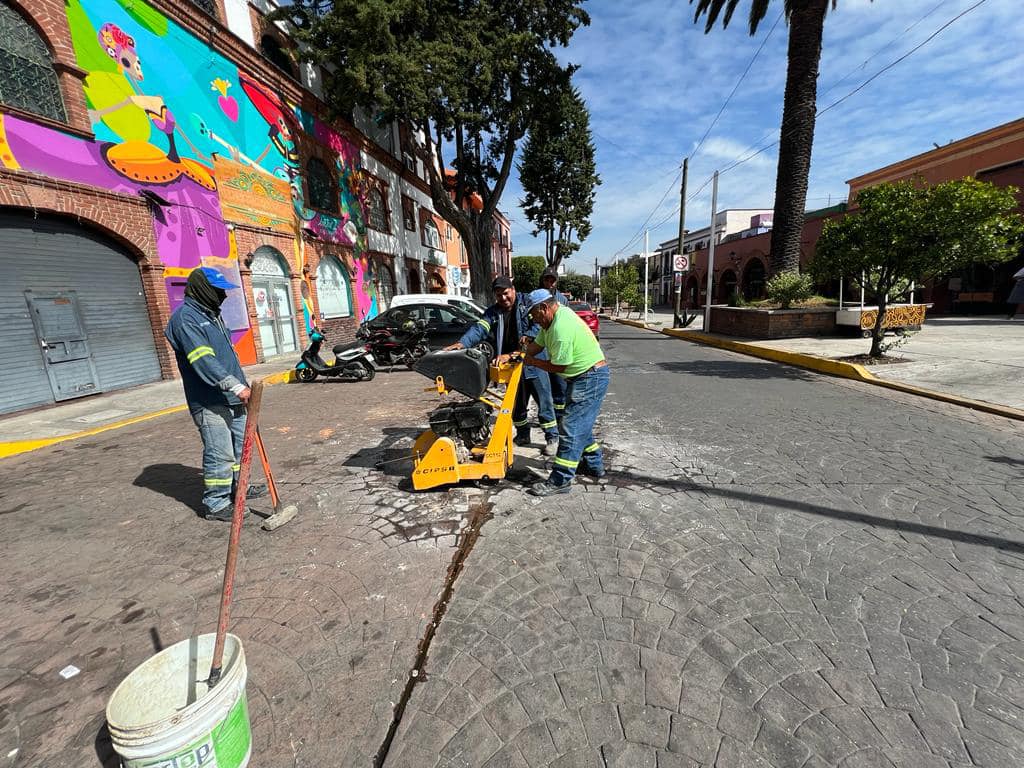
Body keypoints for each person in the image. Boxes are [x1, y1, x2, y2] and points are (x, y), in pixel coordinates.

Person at [165, 267, 263, 521]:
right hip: (208, 400)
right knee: (220, 453)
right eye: (218, 291)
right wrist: (237, 386)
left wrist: (241, 386)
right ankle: (216, 503)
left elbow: (227, 356)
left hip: (234, 396)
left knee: (243, 449)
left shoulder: (213, 315)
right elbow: (203, 361)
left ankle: (238, 488)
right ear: (204, 289)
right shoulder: (186, 319)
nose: (223, 296)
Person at [445, 276, 560, 456]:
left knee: (544, 400)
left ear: (513, 289)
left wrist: (526, 338)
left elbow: (538, 326)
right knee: (517, 405)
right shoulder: (493, 312)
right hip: (512, 367)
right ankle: (523, 435)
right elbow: (479, 328)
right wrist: (463, 343)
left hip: (533, 361)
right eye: (499, 296)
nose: (503, 298)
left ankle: (552, 437)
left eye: (506, 293)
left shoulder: (527, 303)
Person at [514, 289, 609, 496]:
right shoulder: (551, 321)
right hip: (585, 376)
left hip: (589, 378)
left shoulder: (560, 328)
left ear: (544, 308)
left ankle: (560, 480)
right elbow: (536, 346)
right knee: (580, 425)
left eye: (534, 314)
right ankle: (594, 465)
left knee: (570, 428)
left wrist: (532, 362)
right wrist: (518, 355)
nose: (533, 319)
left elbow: (560, 367)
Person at [539, 266, 570, 422]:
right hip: (542, 345)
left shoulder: (562, 300)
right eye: (547, 279)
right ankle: (549, 418)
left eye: (553, 280)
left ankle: (560, 417)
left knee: (560, 385)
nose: (550, 283)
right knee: (544, 387)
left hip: (557, 347)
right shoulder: (537, 297)